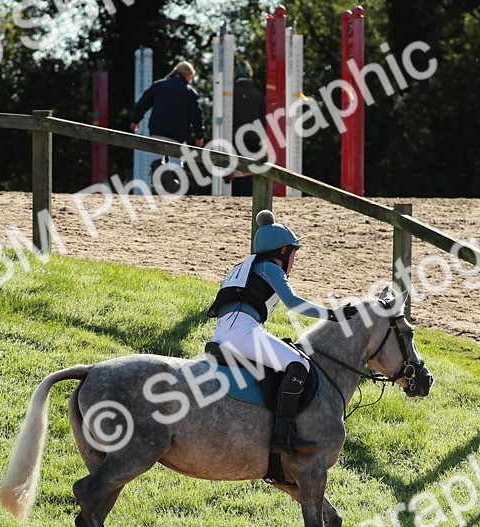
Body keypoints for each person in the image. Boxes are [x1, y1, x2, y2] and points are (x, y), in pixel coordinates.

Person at [206, 210, 352, 454]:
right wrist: (332, 314)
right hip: (242, 332)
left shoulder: (241, 267)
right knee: (299, 364)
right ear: (283, 252)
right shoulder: (269, 268)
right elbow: (293, 303)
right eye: (293, 253)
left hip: (222, 333)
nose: (294, 261)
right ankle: (283, 436)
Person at [130, 61, 204, 191]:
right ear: (186, 74)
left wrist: (135, 120)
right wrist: (199, 135)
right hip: (178, 134)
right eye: (190, 77)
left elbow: (143, 102)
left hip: (158, 130)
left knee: (157, 160)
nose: (190, 81)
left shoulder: (159, 86)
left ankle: (161, 179)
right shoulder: (189, 92)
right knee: (176, 164)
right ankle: (174, 188)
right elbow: (196, 115)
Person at [230, 60, 266, 197]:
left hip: (233, 138)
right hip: (253, 138)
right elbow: (264, 120)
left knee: (235, 169)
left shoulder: (230, 94)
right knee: (249, 171)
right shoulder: (259, 95)